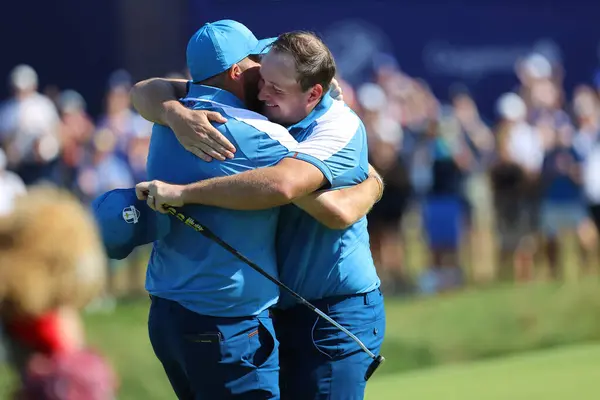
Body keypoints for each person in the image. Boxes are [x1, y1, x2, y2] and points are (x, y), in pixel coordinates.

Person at [133, 29, 385, 400]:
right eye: (262, 78)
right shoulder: (258, 113)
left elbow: (329, 206)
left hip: (335, 308)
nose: (264, 92)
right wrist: (173, 112)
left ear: (313, 93)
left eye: (275, 88)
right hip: (282, 308)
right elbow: (146, 90)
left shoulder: (338, 126)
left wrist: (374, 182)